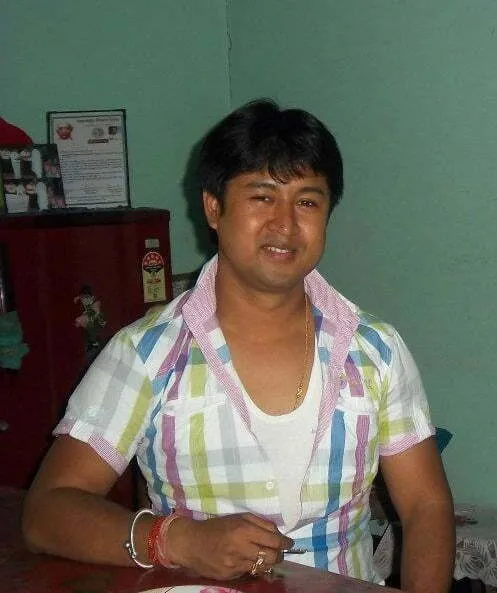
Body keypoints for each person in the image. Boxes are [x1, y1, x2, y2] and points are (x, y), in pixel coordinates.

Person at [22, 99, 455, 591]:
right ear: (214, 207)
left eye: (307, 202)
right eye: (262, 197)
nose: (285, 224)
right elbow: (47, 512)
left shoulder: (375, 350)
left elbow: (426, 505)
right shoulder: (147, 353)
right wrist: (177, 540)